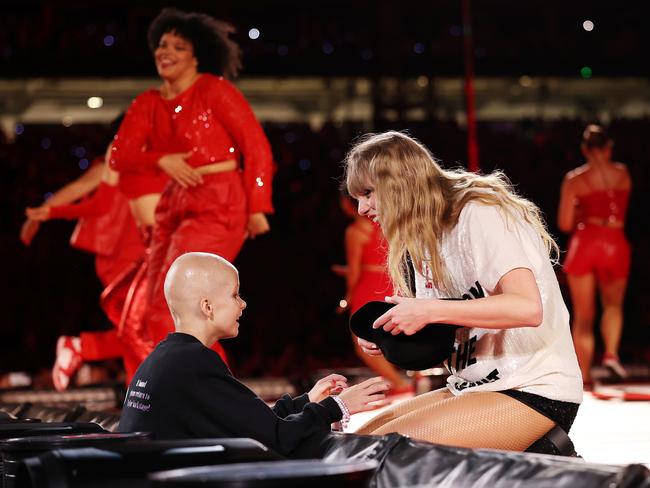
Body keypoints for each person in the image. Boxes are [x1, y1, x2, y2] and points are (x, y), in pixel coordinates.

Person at [343, 131, 582, 452]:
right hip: (471, 387)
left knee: (383, 453)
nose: (361, 209)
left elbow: (527, 307)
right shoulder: (420, 238)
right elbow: (444, 337)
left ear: (399, 181)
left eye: (368, 193)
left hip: (533, 388)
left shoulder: (476, 212)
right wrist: (392, 333)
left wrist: (429, 311)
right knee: (353, 448)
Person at [109, 8, 273, 362]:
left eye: (178, 47)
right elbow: (118, 157)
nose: (166, 52)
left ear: (197, 56)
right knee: (158, 305)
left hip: (220, 199)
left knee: (186, 304)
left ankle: (211, 397)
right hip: (174, 200)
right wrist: (160, 160)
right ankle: (182, 394)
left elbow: (256, 146)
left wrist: (258, 206)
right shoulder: (148, 102)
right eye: (162, 44)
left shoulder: (214, 91)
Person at [118, 252, 388, 458]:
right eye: (235, 295)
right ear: (207, 307)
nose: (243, 303)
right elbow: (275, 438)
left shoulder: (167, 358)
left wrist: (307, 401)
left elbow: (248, 420)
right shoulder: (194, 364)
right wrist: (338, 406)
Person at [24, 142, 146, 389]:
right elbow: (78, 188)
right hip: (119, 262)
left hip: (147, 259)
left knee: (148, 332)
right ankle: (83, 350)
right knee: (142, 331)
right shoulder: (116, 162)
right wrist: (42, 213)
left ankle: (82, 349)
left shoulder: (160, 163)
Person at [557, 125, 631, 385]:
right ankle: (611, 352)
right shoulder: (623, 174)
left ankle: (585, 376)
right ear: (609, 147)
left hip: (587, 243)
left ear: (584, 150)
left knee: (584, 316)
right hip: (615, 242)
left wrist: (580, 213)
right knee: (613, 305)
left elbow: (565, 223)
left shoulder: (574, 179)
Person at [339, 195, 411, 394]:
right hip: (390, 280)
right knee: (392, 331)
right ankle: (413, 376)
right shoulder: (386, 225)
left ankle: (399, 383)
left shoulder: (355, 231)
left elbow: (355, 270)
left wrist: (348, 296)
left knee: (361, 341)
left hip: (368, 285)